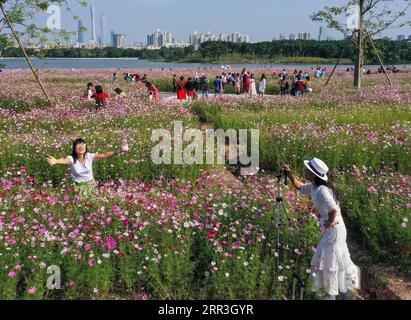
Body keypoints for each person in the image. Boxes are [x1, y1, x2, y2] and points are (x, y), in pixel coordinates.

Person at [283, 159, 360, 300]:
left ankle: (328, 295)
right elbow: (300, 187)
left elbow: (332, 209)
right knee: (333, 259)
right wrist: (289, 175)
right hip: (335, 228)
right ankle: (345, 293)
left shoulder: (322, 190)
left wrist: (329, 223)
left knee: (327, 261)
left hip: (334, 230)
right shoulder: (314, 186)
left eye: (307, 170)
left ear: (313, 174)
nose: (305, 171)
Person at [47, 138, 130, 197]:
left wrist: (118, 151)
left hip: (91, 185)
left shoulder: (89, 156)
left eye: (83, 145)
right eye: (78, 146)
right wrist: (56, 161)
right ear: (75, 149)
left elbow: (104, 155)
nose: (81, 147)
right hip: (78, 187)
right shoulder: (71, 158)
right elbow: (64, 160)